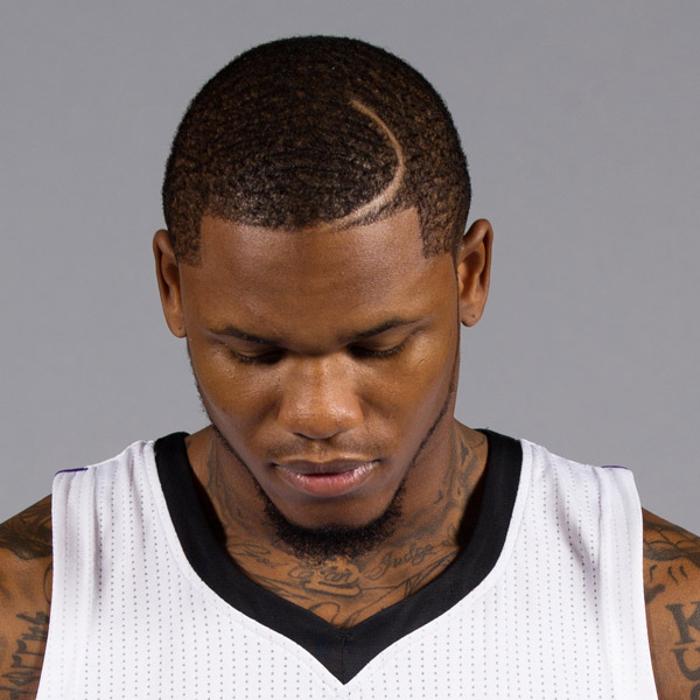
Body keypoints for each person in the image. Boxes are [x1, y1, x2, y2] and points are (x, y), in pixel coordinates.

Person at [0, 35, 696, 700]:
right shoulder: (32, 606)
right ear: (172, 286)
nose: (319, 413)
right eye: (256, 354)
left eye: (377, 347)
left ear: (471, 274)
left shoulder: (654, 611)